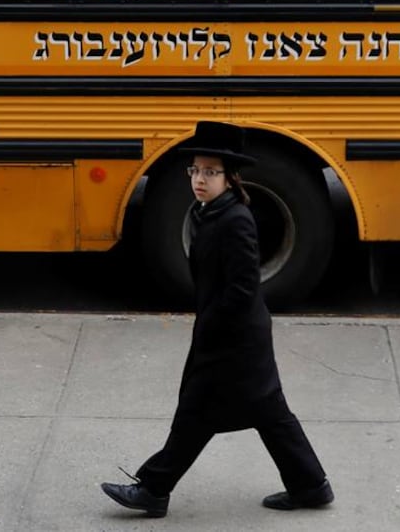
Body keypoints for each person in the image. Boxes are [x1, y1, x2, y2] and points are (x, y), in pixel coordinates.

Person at [100, 121, 334, 518]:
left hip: (234, 338)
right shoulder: (212, 212)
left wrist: (213, 329)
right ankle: (311, 485)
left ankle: (154, 489)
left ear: (230, 176)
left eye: (210, 172)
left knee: (197, 412)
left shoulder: (236, 220)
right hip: (235, 334)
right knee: (268, 413)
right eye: (195, 170)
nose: (200, 179)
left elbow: (242, 289)